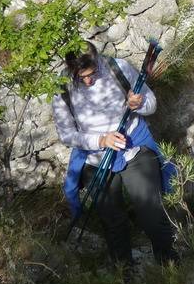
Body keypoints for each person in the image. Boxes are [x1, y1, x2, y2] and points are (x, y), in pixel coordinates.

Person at [52, 41, 178, 267]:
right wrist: (100, 140)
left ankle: (170, 267)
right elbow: (67, 135)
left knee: (150, 210)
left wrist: (138, 104)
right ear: (70, 69)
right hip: (95, 159)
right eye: (81, 77)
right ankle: (125, 276)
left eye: (92, 74)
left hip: (134, 150)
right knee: (112, 222)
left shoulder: (117, 68)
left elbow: (151, 104)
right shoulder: (61, 87)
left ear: (97, 60)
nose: (89, 81)